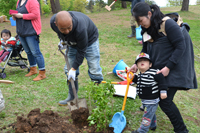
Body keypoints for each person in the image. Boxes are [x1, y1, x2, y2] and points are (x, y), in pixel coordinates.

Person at [129, 2, 198, 133]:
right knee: (156, 93)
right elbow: (145, 49)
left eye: (141, 20)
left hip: (175, 64)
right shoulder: (146, 29)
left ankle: (182, 130)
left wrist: (168, 67)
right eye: (138, 22)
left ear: (149, 14)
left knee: (165, 101)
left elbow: (180, 46)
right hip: (161, 66)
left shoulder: (168, 24)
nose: (140, 24)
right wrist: (135, 63)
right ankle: (151, 121)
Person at [50, 11, 104, 106]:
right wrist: (63, 40)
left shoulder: (80, 28)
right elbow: (62, 33)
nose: (67, 31)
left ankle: (97, 98)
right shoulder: (52, 23)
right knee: (69, 70)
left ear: (72, 21)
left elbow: (82, 51)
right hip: (73, 42)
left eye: (69, 27)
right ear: (56, 24)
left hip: (90, 40)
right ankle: (72, 96)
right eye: (63, 29)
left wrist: (74, 68)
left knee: (94, 69)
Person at [130, 52, 167, 133]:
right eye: (139, 61)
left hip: (152, 101)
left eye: (145, 60)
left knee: (147, 116)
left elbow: (161, 80)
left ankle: (142, 130)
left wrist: (163, 91)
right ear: (137, 65)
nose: (142, 62)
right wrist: (133, 77)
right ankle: (153, 125)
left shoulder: (154, 72)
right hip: (145, 100)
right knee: (151, 113)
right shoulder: (140, 74)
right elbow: (138, 81)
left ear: (150, 65)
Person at [11, 0, 46, 81]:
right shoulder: (19, 1)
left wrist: (21, 16)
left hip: (31, 31)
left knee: (36, 52)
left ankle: (42, 73)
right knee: (28, 52)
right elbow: (18, 15)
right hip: (21, 32)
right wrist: (14, 16)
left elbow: (36, 15)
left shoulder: (32, 1)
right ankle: (33, 69)